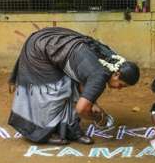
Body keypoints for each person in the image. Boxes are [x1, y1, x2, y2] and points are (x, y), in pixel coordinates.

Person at [8, 27, 140, 145]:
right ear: (116, 74)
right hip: (40, 49)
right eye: (121, 85)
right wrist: (99, 117)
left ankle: (70, 130)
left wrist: (93, 103)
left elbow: (83, 80)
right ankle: (38, 133)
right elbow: (81, 109)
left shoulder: (112, 59)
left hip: (54, 41)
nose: (119, 88)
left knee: (71, 87)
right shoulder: (99, 76)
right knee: (56, 92)